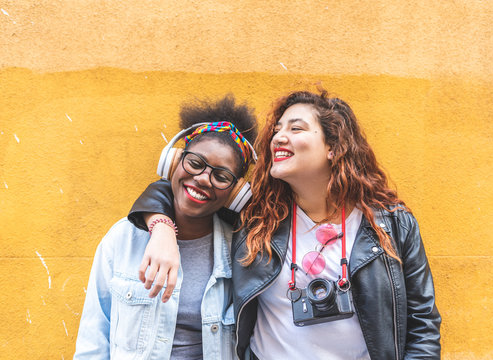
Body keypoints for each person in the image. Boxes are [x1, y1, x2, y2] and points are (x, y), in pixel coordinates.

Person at [131, 89, 441, 359]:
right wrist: (161, 228)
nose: (279, 136)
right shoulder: (255, 217)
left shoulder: (392, 223)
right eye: (278, 129)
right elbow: (178, 189)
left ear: (333, 147)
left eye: (296, 128)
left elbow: (423, 324)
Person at [73, 95, 258, 359]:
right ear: (173, 162)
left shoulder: (242, 251)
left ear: (235, 192)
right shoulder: (123, 239)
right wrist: (160, 226)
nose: (203, 179)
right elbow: (93, 340)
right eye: (195, 163)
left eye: (221, 176)